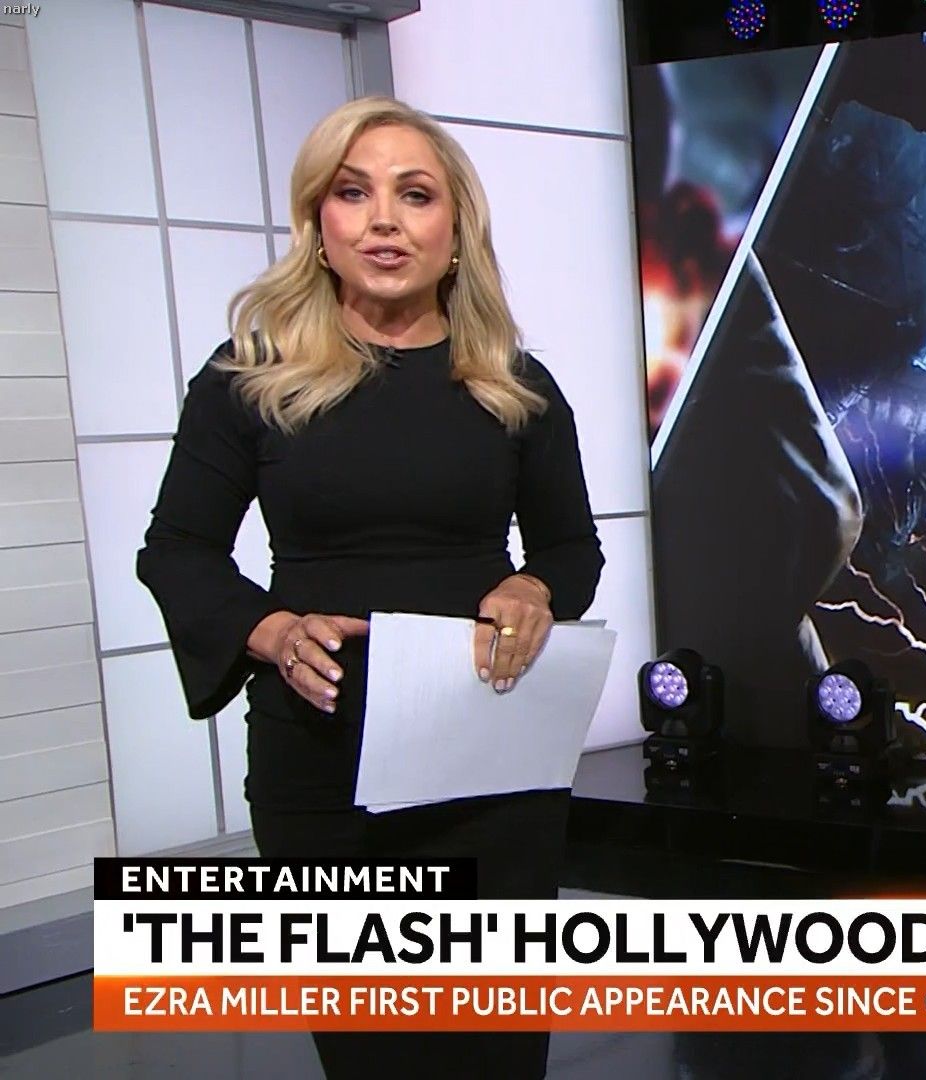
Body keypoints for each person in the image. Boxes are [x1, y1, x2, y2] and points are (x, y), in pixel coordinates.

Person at [135, 96, 603, 1078]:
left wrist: (534, 590)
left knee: (496, 1059)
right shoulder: (245, 379)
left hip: (488, 757)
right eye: (353, 193)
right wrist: (267, 629)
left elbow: (572, 550)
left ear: (455, 231)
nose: (384, 220)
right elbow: (176, 549)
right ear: (319, 226)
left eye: (414, 195)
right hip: (321, 763)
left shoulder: (516, 385)